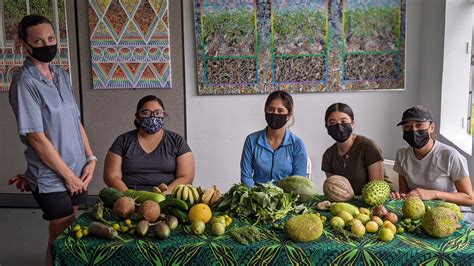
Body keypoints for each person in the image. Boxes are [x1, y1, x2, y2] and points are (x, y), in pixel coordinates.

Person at [8, 15, 96, 265]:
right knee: (66, 240)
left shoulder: (60, 74)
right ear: (25, 46)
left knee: (59, 238)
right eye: (38, 40)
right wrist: (68, 177)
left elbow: (76, 120)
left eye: (51, 38)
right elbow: (36, 138)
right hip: (53, 178)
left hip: (79, 173)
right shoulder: (25, 81)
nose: (47, 44)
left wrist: (90, 158)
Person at [104, 95, 195, 193]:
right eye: (146, 113)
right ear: (137, 116)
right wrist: (129, 196)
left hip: (167, 198)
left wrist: (164, 195)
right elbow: (111, 176)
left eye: (157, 112)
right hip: (128, 198)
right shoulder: (123, 141)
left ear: (163, 115)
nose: (152, 116)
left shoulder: (177, 141)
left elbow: (186, 176)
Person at [391, 106, 474, 206]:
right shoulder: (402, 154)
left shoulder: (450, 155)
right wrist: (399, 197)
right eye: (407, 126)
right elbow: (404, 193)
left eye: (419, 125)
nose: (413, 130)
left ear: (431, 127)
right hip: (418, 212)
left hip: (450, 213)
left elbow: (469, 199)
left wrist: (433, 194)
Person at [240, 90, 308, 186]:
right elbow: (246, 177)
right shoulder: (251, 140)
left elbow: (299, 182)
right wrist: (255, 197)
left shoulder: (297, 144)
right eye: (271, 109)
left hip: (287, 199)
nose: (275, 113)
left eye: (280, 110)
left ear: (289, 114)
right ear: (265, 110)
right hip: (256, 197)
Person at [321, 103, 384, 195]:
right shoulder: (328, 155)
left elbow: (377, 190)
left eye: (343, 121)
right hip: (346, 204)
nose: (339, 126)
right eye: (332, 123)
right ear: (327, 127)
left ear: (353, 124)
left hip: (373, 202)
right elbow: (334, 191)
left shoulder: (368, 146)